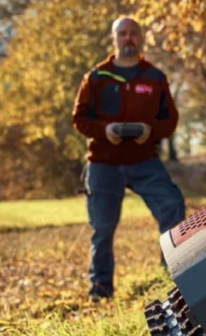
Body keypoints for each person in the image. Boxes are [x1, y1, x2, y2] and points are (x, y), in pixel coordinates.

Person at [72, 16, 185, 302]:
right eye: (122, 33)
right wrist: (104, 130)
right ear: (114, 39)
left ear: (142, 37)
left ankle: (171, 280)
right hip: (103, 163)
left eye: (133, 32)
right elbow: (79, 118)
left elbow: (169, 121)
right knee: (102, 229)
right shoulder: (96, 77)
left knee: (172, 206)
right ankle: (100, 292)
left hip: (144, 161)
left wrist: (150, 131)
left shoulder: (154, 77)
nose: (128, 38)